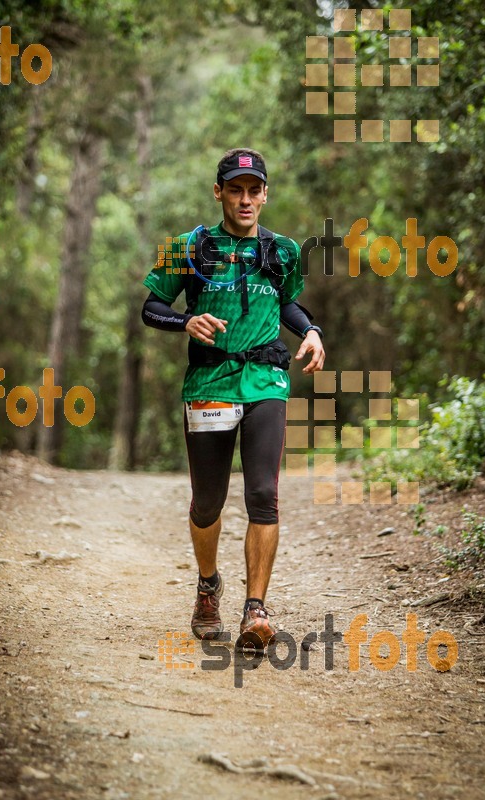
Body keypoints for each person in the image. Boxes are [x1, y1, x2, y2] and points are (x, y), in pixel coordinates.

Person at [142, 148, 325, 649]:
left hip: (266, 380)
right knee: (207, 503)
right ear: (218, 191)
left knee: (263, 494)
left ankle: (255, 609)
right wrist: (185, 320)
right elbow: (151, 306)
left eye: (254, 189)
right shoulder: (185, 247)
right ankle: (208, 586)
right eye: (236, 188)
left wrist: (310, 331)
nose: (246, 199)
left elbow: (287, 302)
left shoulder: (283, 249)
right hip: (209, 385)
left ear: (265, 194)